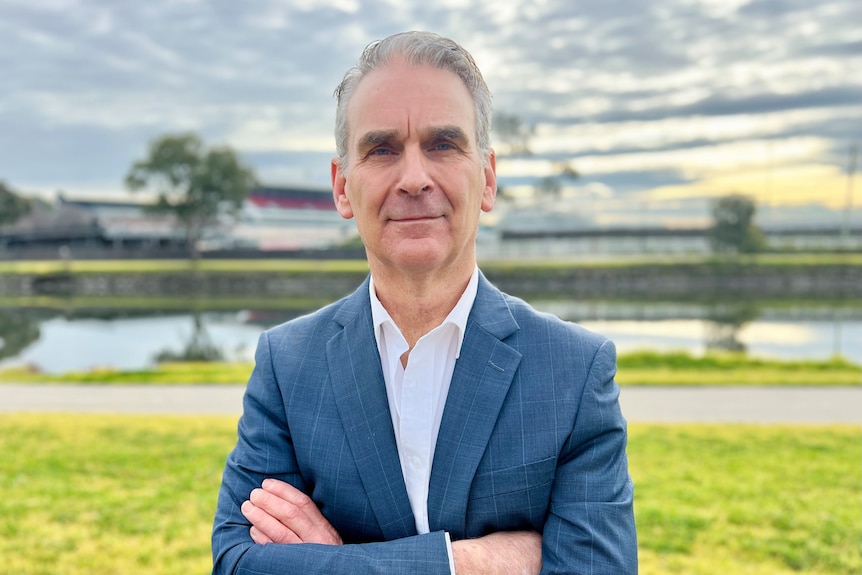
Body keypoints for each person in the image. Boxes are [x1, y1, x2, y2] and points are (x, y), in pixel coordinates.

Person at [212, 31, 637, 574]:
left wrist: (338, 562)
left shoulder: (574, 372)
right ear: (342, 187)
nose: (414, 179)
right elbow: (237, 564)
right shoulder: (287, 364)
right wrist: (466, 563)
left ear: (487, 178)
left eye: (442, 144)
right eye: (382, 148)